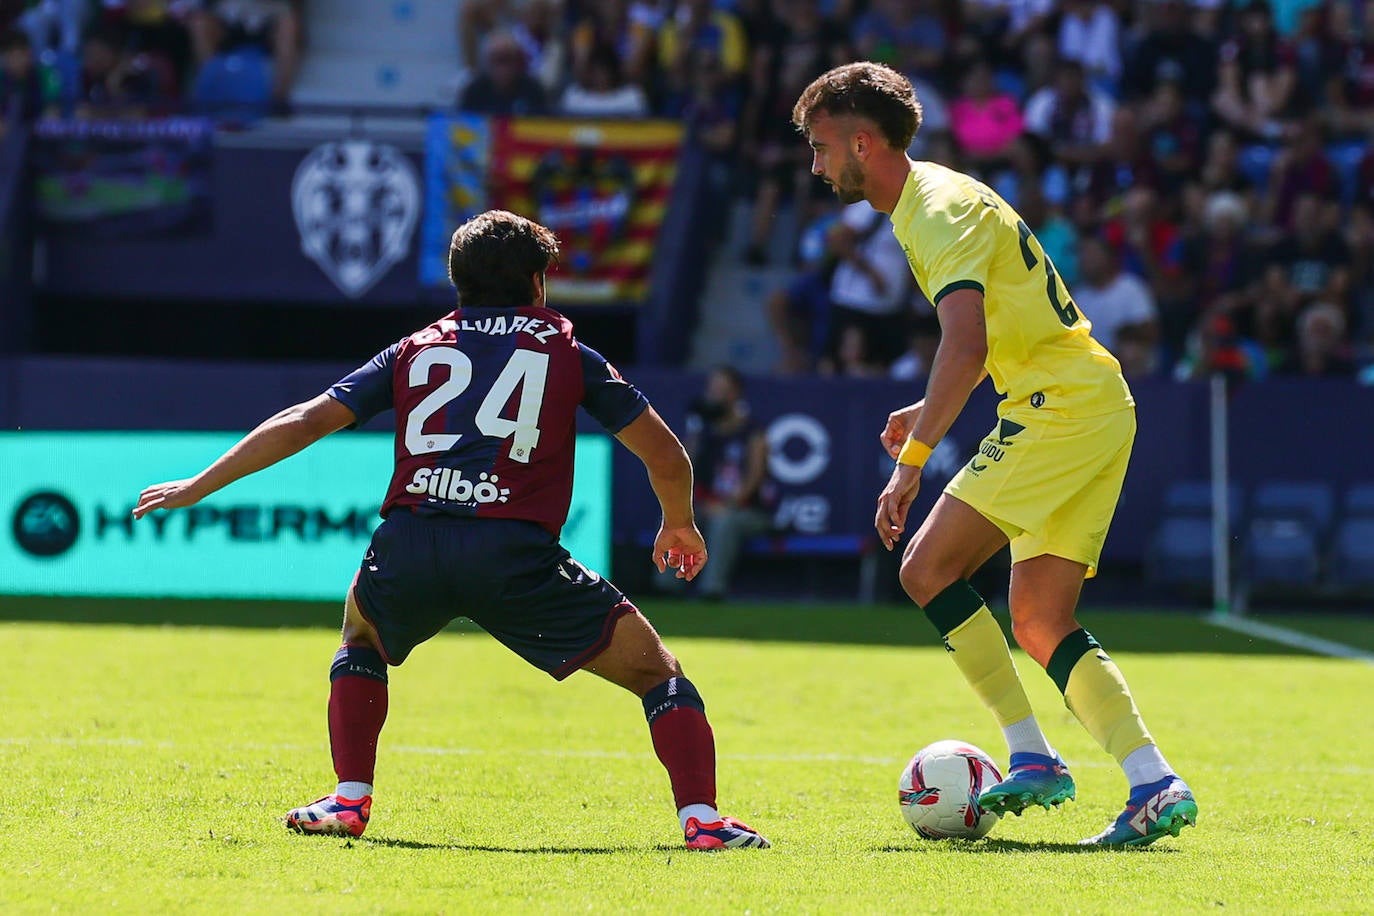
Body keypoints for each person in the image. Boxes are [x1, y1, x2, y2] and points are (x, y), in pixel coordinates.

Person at [131, 210, 768, 852]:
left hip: (413, 543)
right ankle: (703, 820)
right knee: (658, 673)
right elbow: (667, 456)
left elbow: (304, 421)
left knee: (361, 635)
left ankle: (349, 799)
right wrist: (680, 523)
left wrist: (196, 486)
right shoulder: (567, 352)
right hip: (514, 556)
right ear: (538, 283)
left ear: (457, 284)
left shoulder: (415, 347)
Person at [791, 61, 1197, 847]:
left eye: (821, 147)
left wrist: (912, 458)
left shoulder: (936, 210)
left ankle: (1032, 755)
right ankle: (1152, 782)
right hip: (1090, 400)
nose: (816, 165)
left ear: (864, 143)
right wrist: (927, 405)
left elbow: (966, 342)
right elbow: (980, 343)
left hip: (1059, 409)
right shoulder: (933, 200)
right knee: (1042, 619)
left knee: (924, 567)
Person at [683, 366, 777, 600]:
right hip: (708, 504)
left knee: (723, 521)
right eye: (712, 389)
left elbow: (754, 480)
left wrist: (728, 504)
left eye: (722, 390)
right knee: (677, 515)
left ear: (735, 394)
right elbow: (685, 469)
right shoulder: (703, 432)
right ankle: (666, 587)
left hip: (749, 511)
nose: (715, 395)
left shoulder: (754, 433)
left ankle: (711, 590)